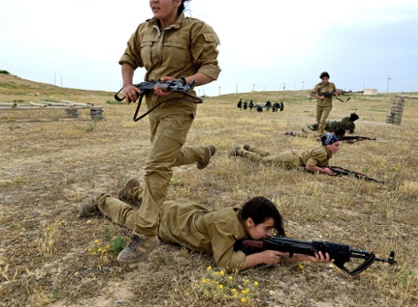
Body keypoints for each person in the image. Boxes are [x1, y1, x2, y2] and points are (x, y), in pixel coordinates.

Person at [116, 0, 221, 264]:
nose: (153, 1)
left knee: (156, 166)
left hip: (179, 105)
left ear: (177, 1)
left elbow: (210, 69)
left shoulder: (196, 29)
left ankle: (145, 233)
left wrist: (180, 82)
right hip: (154, 105)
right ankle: (201, 153)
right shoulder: (144, 30)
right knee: (166, 158)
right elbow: (129, 59)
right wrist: (128, 85)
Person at [79, 192, 332, 272]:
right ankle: (101, 199)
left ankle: (134, 189)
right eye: (266, 228)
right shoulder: (226, 226)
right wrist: (259, 259)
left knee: (149, 198)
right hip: (169, 222)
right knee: (131, 217)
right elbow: (225, 263)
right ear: (250, 222)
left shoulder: (247, 226)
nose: (269, 234)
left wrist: (309, 256)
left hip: (186, 212)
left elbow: (274, 251)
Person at [229, 133, 341, 175]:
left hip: (293, 156)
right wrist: (324, 171)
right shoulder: (321, 152)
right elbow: (309, 166)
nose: (338, 148)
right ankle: (239, 151)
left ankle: (249, 148)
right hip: (291, 160)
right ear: (328, 145)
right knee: (263, 161)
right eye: (336, 145)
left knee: (269, 155)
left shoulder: (325, 151)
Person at [309, 72, 342, 137]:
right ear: (321, 79)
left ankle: (319, 134)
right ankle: (323, 130)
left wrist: (337, 93)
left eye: (326, 78)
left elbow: (335, 92)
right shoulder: (318, 85)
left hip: (327, 106)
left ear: (328, 78)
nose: (325, 80)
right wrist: (319, 97)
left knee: (322, 120)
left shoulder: (332, 85)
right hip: (319, 105)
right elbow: (311, 93)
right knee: (318, 120)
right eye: (323, 79)